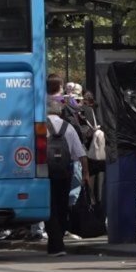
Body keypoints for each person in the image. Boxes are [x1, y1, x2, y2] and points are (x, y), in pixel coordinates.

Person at [46, 100, 90, 257]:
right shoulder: (68, 127)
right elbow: (81, 154)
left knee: (49, 207)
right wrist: (85, 174)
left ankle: (55, 244)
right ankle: (58, 242)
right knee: (62, 206)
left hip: (45, 173)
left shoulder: (39, 126)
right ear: (59, 112)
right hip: (65, 172)